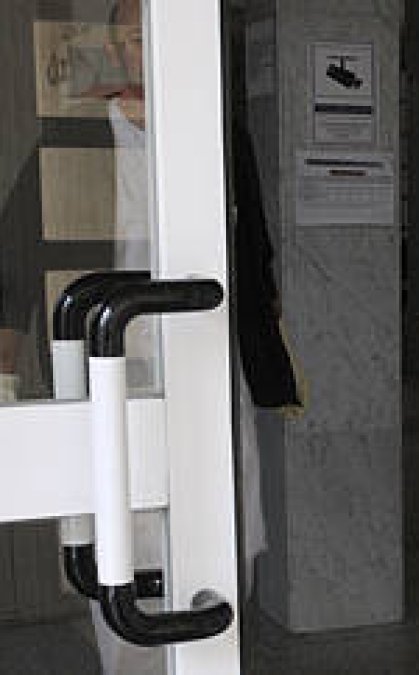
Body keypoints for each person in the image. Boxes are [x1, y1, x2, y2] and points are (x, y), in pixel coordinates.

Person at [91, 1, 300, 672]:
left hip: (208, 368)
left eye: (145, 32)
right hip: (112, 370)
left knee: (220, 542)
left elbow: (256, 248)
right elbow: (20, 255)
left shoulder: (216, 131)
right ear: (112, 46)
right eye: (127, 35)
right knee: (127, 551)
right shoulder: (80, 135)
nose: (137, 48)